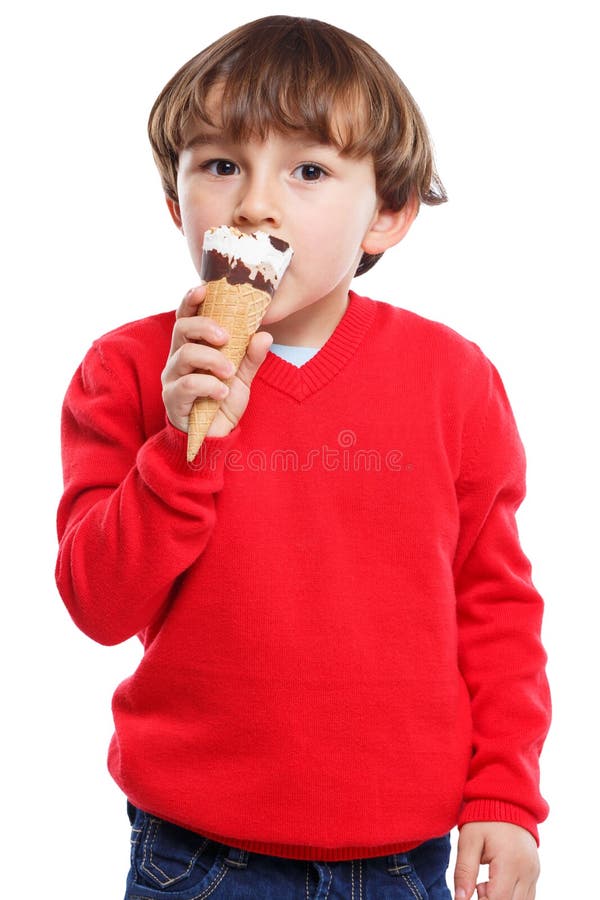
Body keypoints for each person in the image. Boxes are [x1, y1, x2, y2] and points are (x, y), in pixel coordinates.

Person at [55, 15, 550, 900]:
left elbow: (495, 604)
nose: (255, 203)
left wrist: (505, 795)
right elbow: (97, 604)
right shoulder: (126, 371)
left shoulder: (455, 380)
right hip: (196, 850)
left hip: (404, 851)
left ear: (387, 216)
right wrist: (179, 444)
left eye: (310, 170)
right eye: (220, 166)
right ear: (177, 204)